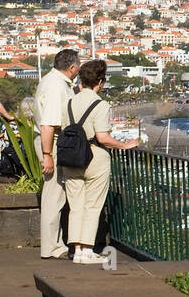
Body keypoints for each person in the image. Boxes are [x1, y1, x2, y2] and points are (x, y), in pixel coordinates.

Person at [61, 59, 139, 265]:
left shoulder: (69, 102)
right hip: (94, 156)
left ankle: (76, 249)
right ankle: (87, 250)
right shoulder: (100, 104)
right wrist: (124, 145)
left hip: (71, 158)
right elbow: (102, 137)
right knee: (93, 205)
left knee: (75, 205)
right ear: (101, 82)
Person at [35, 49, 80, 259]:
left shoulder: (51, 81)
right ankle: (51, 247)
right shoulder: (56, 87)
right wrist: (47, 154)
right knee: (54, 195)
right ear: (72, 67)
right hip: (52, 142)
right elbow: (48, 124)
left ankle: (55, 243)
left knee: (54, 194)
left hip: (51, 142)